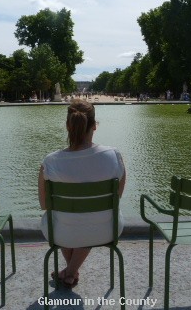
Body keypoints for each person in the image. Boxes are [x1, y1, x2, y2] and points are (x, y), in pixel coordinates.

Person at [38, 99, 126, 288]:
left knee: (63, 218)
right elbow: (116, 198)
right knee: (90, 218)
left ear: (68, 126)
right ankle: (70, 273)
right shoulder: (114, 155)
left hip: (60, 232)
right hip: (106, 230)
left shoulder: (50, 162)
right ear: (94, 126)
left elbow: (44, 204)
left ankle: (70, 271)